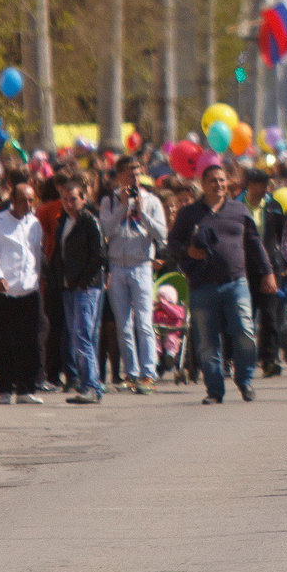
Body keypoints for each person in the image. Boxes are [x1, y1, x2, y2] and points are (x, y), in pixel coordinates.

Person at [171, 163, 272, 405]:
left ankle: (245, 381)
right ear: (203, 184)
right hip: (202, 286)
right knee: (206, 340)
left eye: (222, 180)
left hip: (235, 283)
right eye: (213, 181)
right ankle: (214, 390)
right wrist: (188, 251)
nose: (218, 185)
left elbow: (255, 244)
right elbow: (172, 243)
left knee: (245, 332)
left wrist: (268, 272)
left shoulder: (239, 210)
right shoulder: (189, 214)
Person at [99, 159, 168, 396]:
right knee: (123, 324)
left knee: (145, 322)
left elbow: (162, 235)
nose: (134, 180)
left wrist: (142, 212)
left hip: (141, 265)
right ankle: (131, 372)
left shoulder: (152, 201)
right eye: (129, 176)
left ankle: (148, 373)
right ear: (119, 177)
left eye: (137, 175)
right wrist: (122, 207)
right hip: (117, 266)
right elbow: (105, 231)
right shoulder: (108, 201)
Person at [0, 182, 46, 404]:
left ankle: (26, 388)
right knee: (4, 341)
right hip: (4, 292)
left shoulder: (34, 224)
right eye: (24, 200)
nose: (28, 204)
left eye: (31, 200)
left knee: (30, 341)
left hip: (29, 291)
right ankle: (5, 389)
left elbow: (35, 254)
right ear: (13, 201)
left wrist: (36, 279)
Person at [50, 172, 108, 404]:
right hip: (68, 286)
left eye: (73, 199)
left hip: (87, 287)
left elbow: (99, 255)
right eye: (65, 199)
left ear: (83, 199)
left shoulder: (90, 222)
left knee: (83, 334)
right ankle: (87, 384)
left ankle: (91, 386)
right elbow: (58, 255)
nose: (69, 203)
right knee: (76, 336)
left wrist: (84, 280)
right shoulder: (62, 222)